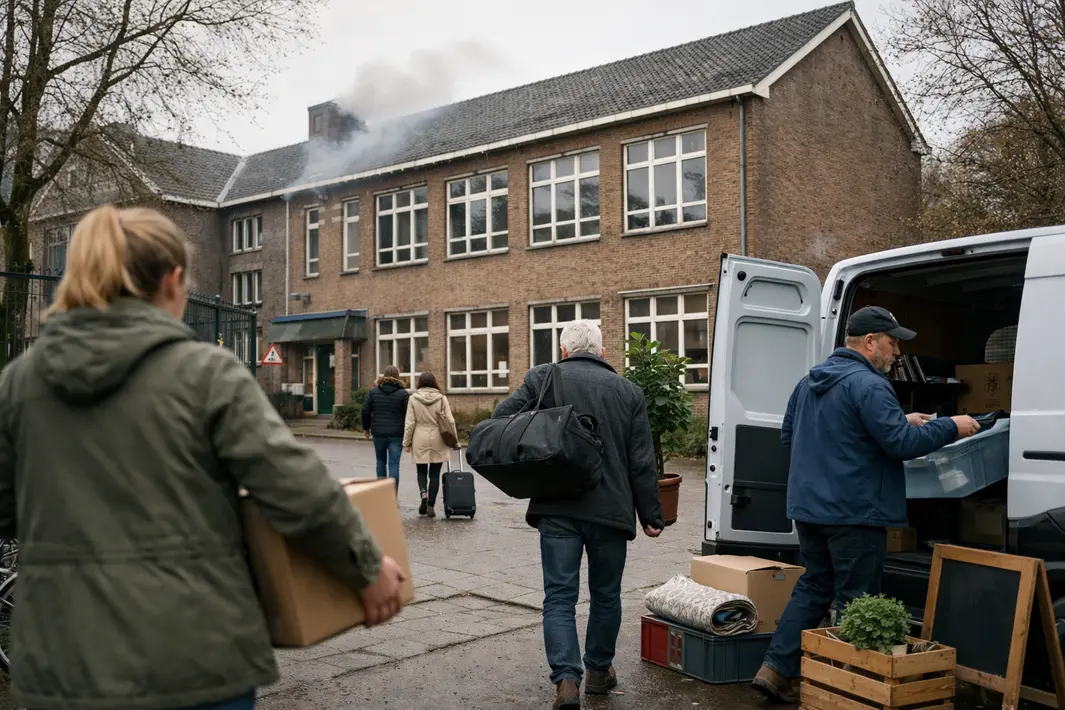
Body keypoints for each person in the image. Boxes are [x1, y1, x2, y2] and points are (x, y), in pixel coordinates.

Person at [0, 205, 408, 710]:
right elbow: (292, 486)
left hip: (61, 663)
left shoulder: (19, 383)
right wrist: (365, 567)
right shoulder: (205, 374)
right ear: (173, 281)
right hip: (190, 656)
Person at [752, 306, 981, 703]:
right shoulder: (871, 385)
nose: (897, 352)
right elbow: (901, 444)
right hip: (854, 513)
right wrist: (951, 426)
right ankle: (849, 689)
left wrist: (899, 419)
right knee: (857, 602)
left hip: (809, 509)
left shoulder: (808, 382)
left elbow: (793, 436)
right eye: (893, 343)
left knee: (814, 586)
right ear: (870, 342)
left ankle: (774, 670)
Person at [492, 320, 663, 710]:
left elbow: (502, 417)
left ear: (564, 352)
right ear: (602, 352)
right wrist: (651, 513)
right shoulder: (629, 392)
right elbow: (641, 460)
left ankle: (567, 682)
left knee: (559, 596)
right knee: (606, 595)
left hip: (558, 507)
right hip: (611, 511)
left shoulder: (543, 378)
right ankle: (598, 672)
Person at [403, 372, 458, 517]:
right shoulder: (441, 398)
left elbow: (410, 423)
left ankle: (424, 494)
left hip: (419, 437)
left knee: (421, 471)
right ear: (434, 383)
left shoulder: (413, 399)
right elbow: (450, 421)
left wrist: (406, 442)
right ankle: (431, 506)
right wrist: (455, 441)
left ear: (419, 383)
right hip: (438, 437)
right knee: (434, 474)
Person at [362, 365, 410, 492]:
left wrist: (366, 427)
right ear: (398, 376)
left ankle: (383, 495)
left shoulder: (373, 392)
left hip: (378, 433)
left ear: (384, 376)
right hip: (396, 434)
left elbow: (365, 411)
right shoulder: (403, 394)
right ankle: (392, 496)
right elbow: (409, 415)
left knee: (380, 461)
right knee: (394, 464)